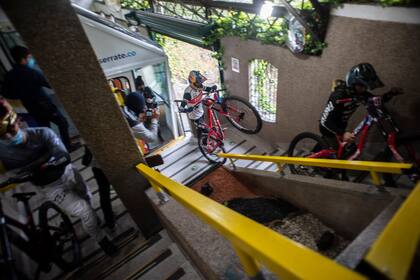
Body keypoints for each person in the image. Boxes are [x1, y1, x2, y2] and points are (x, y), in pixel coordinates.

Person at [0, 99, 117, 256]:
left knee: (87, 197)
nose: (9, 136)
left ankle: (95, 223)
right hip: (51, 188)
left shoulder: (43, 134)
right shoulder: (3, 152)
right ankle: (102, 240)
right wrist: (46, 160)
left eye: (11, 129)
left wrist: (33, 169)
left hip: (69, 173)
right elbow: (14, 175)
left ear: (18, 121)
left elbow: (63, 157)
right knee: (85, 211)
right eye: (3, 135)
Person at [1, 46, 76, 151]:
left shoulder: (9, 76)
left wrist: (20, 94)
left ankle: (53, 149)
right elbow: (49, 84)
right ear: (23, 59)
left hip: (31, 107)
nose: (31, 60)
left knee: (45, 128)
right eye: (29, 57)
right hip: (45, 105)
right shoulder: (31, 72)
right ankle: (67, 146)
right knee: (62, 122)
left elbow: (6, 93)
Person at [319, 63, 403, 151]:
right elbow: (324, 121)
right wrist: (342, 133)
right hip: (329, 127)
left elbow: (375, 100)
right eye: (361, 86)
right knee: (336, 153)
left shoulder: (359, 92)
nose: (364, 90)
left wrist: (390, 94)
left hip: (341, 126)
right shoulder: (338, 95)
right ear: (353, 83)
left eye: (365, 87)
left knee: (346, 149)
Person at [180, 70, 217, 136]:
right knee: (205, 130)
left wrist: (212, 88)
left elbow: (206, 88)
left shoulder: (199, 86)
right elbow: (183, 104)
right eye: (198, 83)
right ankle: (203, 142)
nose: (200, 85)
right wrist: (184, 109)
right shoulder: (188, 92)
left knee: (202, 129)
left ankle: (201, 140)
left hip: (201, 112)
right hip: (194, 116)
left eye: (200, 82)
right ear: (192, 82)